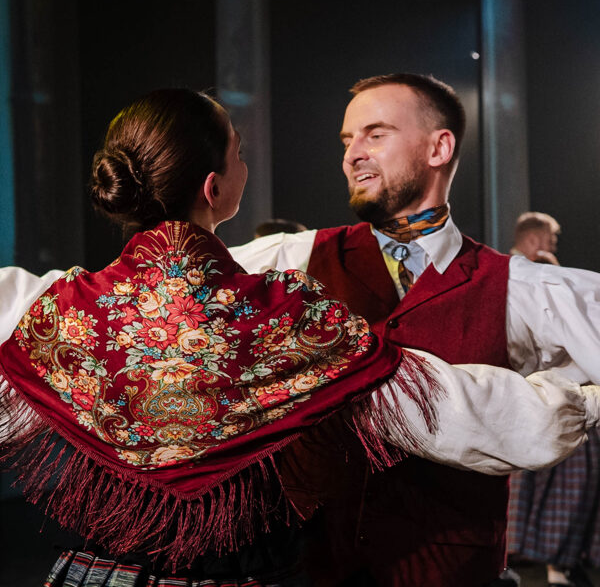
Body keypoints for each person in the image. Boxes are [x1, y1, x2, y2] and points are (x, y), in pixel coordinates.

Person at [0, 88, 598, 587]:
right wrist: (581, 401)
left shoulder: (62, 307)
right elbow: (461, 412)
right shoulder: (286, 314)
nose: (353, 153)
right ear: (213, 188)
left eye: (375, 134)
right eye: (240, 153)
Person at [229, 73, 600, 587]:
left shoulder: (519, 287)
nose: (352, 155)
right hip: (312, 570)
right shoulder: (293, 260)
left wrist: (568, 406)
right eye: (347, 140)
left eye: (375, 134)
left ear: (438, 148)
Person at [508, 214, 600, 587]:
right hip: (536, 402)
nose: (554, 246)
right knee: (554, 484)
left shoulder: (537, 275)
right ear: (535, 240)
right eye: (551, 239)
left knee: (562, 485)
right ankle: (550, 564)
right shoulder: (524, 278)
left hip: (552, 401)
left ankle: (557, 564)